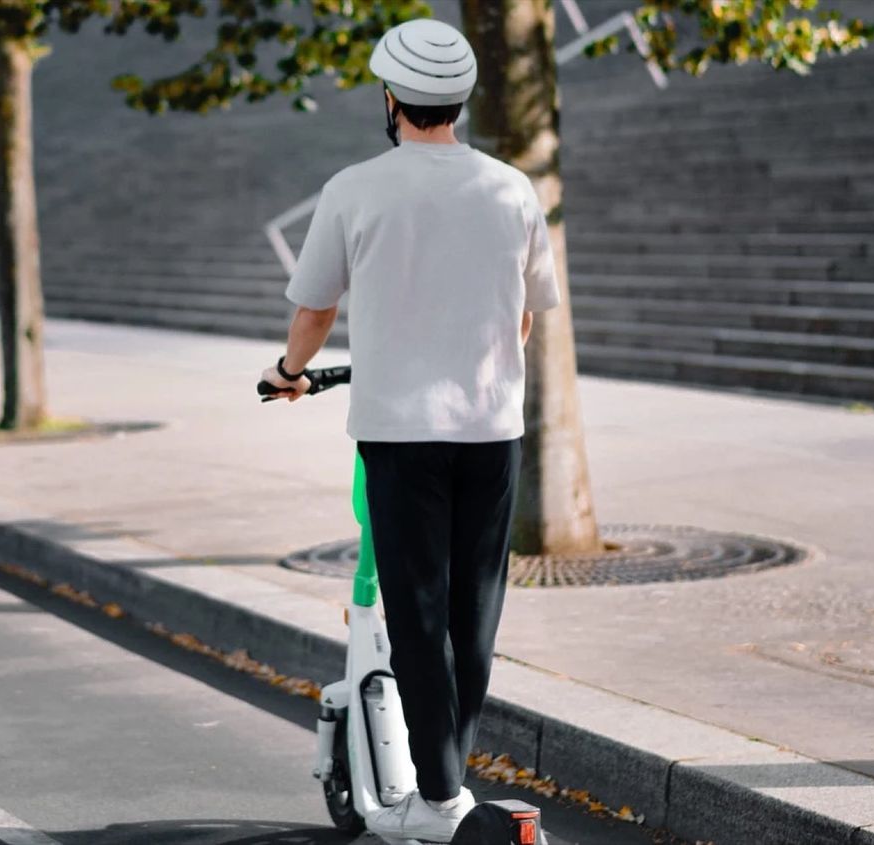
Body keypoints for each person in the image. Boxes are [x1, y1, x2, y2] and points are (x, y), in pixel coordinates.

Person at [258, 17, 562, 844]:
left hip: (401, 433)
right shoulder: (511, 188)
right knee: (474, 614)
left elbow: (316, 308)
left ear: (390, 99)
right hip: (493, 430)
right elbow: (528, 315)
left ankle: (438, 802)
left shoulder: (356, 188)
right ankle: (444, 784)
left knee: (418, 615)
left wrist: (289, 373)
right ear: (460, 99)